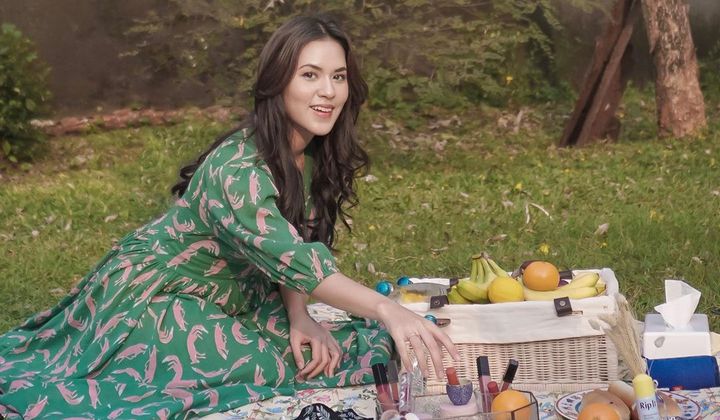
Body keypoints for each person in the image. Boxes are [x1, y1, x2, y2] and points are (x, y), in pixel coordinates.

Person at [0, 14, 458, 419]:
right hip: (158, 296)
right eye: (310, 75)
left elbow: (291, 244)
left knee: (334, 349)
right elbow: (296, 260)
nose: (328, 91)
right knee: (273, 366)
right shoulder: (238, 170)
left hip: (235, 294)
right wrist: (386, 308)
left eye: (338, 76)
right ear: (277, 82)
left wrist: (299, 313)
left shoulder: (308, 154)